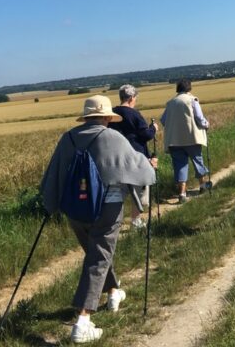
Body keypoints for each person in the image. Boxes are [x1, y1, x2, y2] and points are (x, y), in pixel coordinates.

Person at [40, 95, 156, 343]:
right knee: (99, 257)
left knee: (97, 254)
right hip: (108, 206)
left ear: (86, 116)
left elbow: (53, 174)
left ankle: (113, 292)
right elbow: (142, 170)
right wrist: (150, 164)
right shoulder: (113, 137)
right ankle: (83, 321)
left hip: (75, 209)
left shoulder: (68, 137)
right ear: (105, 117)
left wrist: (50, 205)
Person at [108, 84, 159, 229]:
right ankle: (135, 222)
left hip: (116, 156)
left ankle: (112, 222)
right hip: (136, 157)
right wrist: (153, 129)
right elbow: (146, 135)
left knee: (118, 193)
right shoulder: (134, 114)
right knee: (136, 190)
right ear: (131, 98)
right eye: (135, 97)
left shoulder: (112, 114)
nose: (135, 100)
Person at [160, 79, 211, 203]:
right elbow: (199, 118)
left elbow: (163, 120)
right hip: (191, 138)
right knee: (198, 161)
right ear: (189, 88)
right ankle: (203, 186)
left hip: (174, 140)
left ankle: (182, 194)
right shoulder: (192, 100)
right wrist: (206, 124)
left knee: (180, 166)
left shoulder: (170, 103)